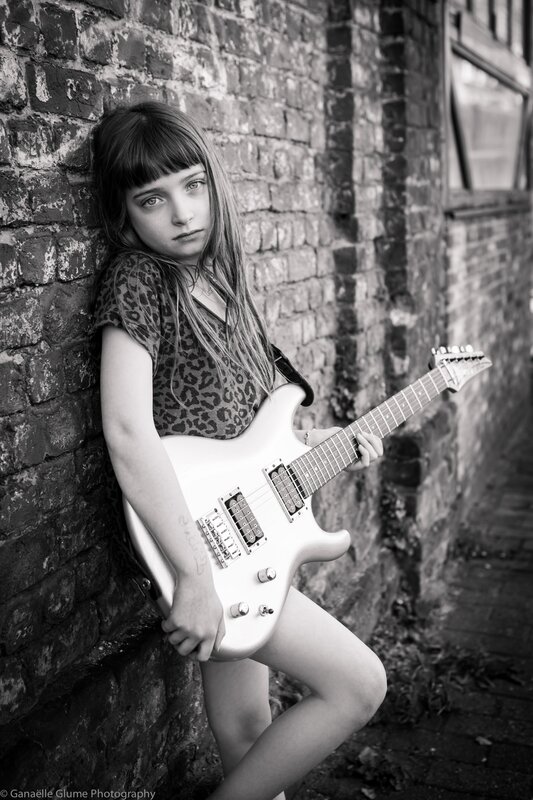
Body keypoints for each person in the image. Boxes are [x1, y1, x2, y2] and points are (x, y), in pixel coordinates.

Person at [90, 100, 386, 800]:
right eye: (152, 199)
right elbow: (127, 432)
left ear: (214, 184)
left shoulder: (225, 286)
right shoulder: (141, 282)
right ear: (124, 214)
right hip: (200, 548)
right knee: (358, 684)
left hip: (247, 537)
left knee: (247, 727)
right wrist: (192, 578)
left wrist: (326, 445)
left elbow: (250, 433)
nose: (182, 213)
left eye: (193, 185)